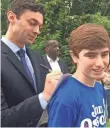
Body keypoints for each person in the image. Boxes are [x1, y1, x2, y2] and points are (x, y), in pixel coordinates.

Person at [1, 0, 62, 127]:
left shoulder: (37, 57)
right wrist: (43, 97)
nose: (37, 31)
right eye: (33, 23)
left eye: (40, 26)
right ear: (11, 17)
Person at [48, 24, 110, 127]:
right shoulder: (66, 97)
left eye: (104, 54)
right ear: (74, 56)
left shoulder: (99, 88)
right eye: (91, 55)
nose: (99, 63)